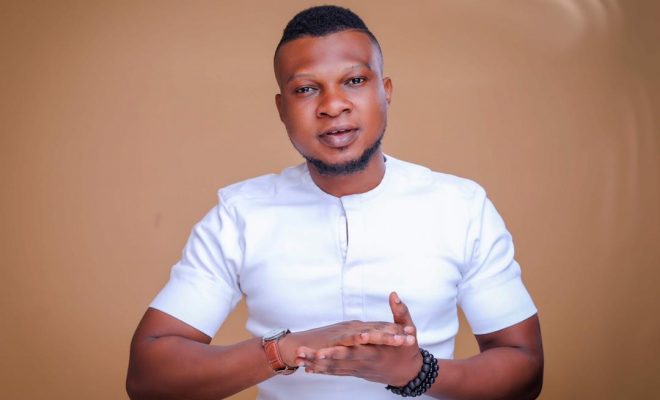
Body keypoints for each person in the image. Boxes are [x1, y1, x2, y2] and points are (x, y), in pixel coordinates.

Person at [126, 5, 543, 400]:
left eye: (355, 81)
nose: (332, 105)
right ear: (282, 109)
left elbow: (525, 371)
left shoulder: (461, 207)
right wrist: (287, 348)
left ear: (386, 91)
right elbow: (148, 379)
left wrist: (418, 372)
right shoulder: (239, 215)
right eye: (306, 89)